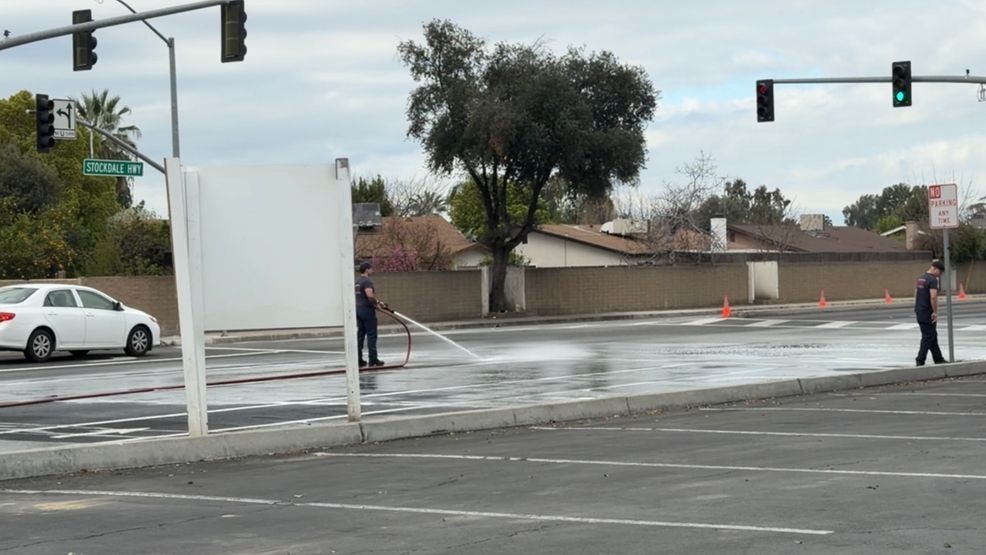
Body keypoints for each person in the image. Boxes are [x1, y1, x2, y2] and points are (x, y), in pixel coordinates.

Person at [914, 259, 947, 366]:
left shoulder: (921, 278)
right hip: (928, 312)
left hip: (919, 311)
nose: (939, 275)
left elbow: (916, 294)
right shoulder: (933, 280)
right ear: (936, 269)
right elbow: (933, 297)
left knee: (932, 335)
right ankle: (920, 359)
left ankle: (938, 358)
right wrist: (935, 312)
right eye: (940, 272)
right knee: (928, 337)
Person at [355, 261, 385, 367]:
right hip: (367, 312)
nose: (372, 270)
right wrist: (377, 304)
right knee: (372, 335)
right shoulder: (367, 281)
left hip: (358, 311)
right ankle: (373, 360)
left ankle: (358, 360)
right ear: (367, 269)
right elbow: (369, 295)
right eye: (371, 268)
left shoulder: (357, 281)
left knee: (360, 336)